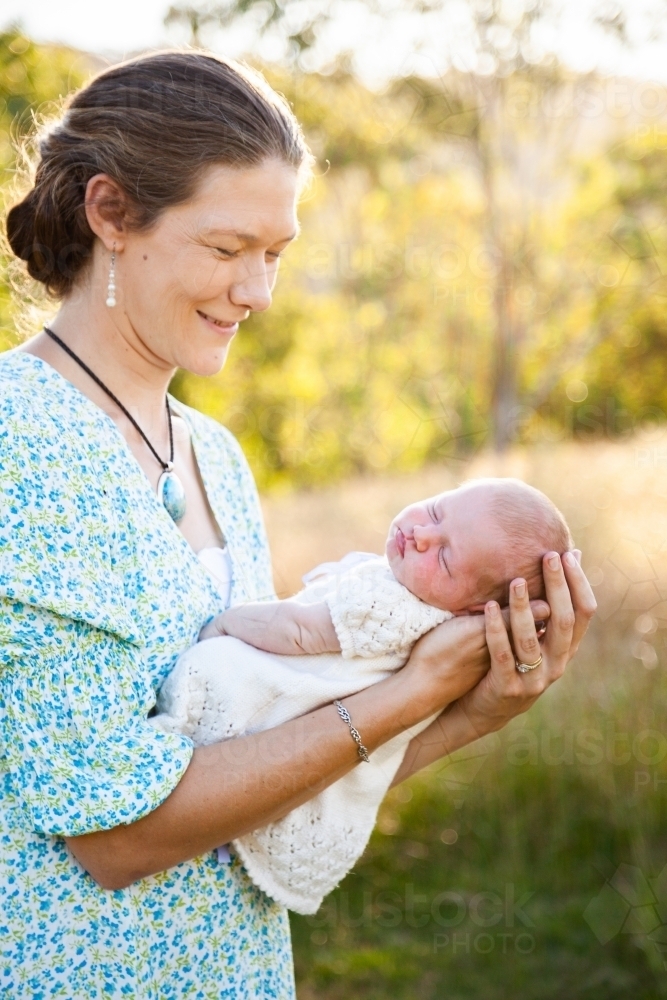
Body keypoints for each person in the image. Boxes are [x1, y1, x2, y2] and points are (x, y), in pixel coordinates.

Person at [0, 50, 596, 999]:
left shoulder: (217, 459)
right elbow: (117, 837)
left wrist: (471, 711)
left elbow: (276, 788)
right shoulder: (16, 444)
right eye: (228, 249)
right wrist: (409, 696)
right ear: (109, 213)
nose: (259, 292)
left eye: (275, 255)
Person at [152, 478, 573, 915]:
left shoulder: (393, 605)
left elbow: (296, 630)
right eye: (435, 510)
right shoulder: (452, 638)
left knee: (213, 674)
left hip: (248, 711)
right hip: (288, 752)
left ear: (473, 611)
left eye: (445, 557)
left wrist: (224, 626)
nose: (422, 535)